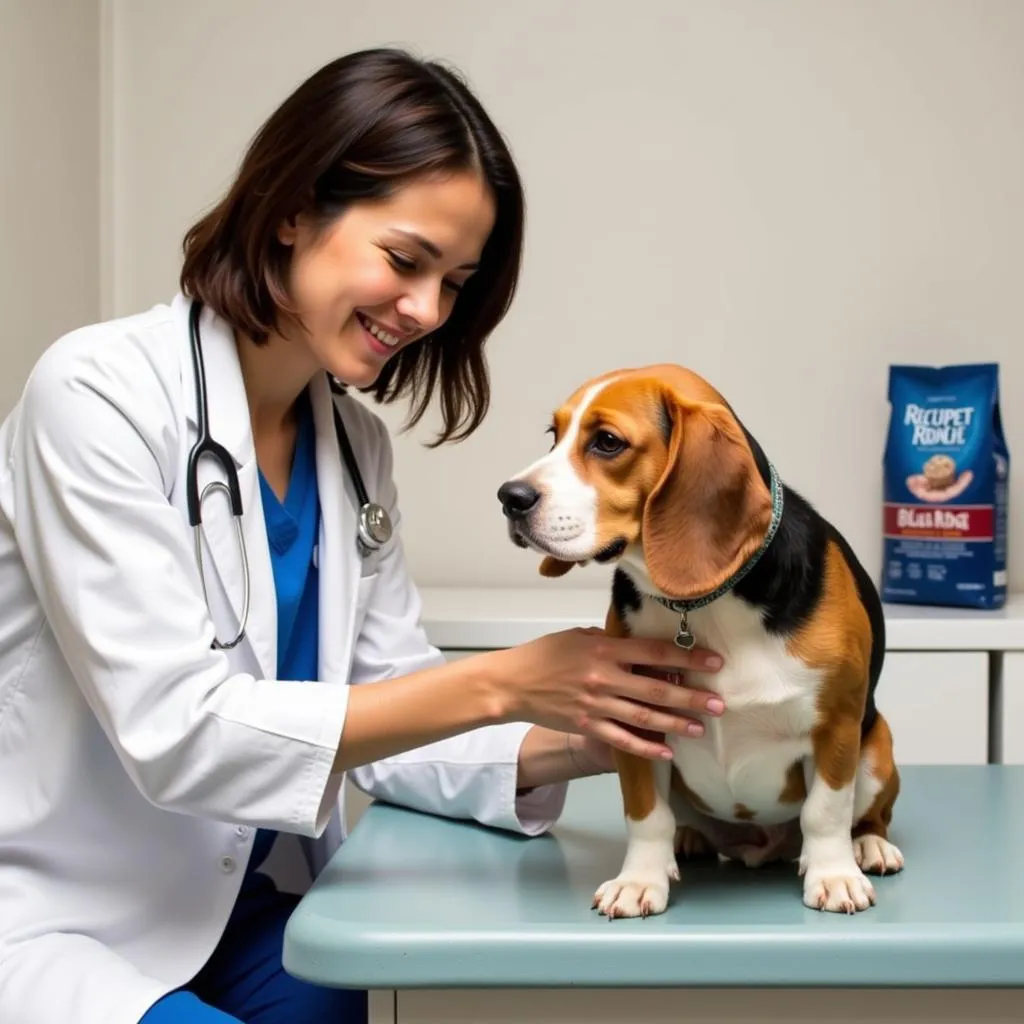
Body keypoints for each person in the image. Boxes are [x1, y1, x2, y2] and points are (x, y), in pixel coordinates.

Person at [0, 48, 725, 1024]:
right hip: (66, 925)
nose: (427, 311)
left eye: (455, 282)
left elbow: (384, 721)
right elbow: (177, 733)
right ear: (294, 208)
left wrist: (596, 735)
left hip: (251, 912)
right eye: (405, 259)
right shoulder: (95, 396)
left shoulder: (352, 447)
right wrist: (507, 677)